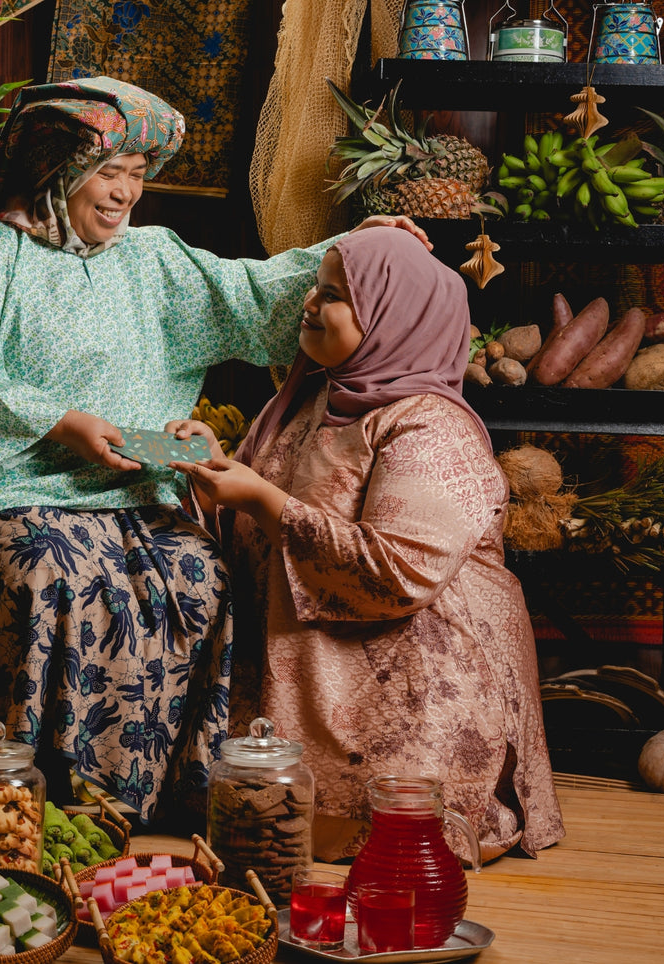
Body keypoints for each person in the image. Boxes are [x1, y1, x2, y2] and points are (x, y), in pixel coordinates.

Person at [0, 75, 427, 824]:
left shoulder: (152, 260)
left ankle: (152, 801)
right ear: (54, 172)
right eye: (107, 173)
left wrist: (360, 244)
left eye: (136, 176)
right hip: (1, 480)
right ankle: (35, 800)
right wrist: (63, 423)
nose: (124, 195)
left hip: (128, 482)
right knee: (51, 569)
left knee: (194, 571)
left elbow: (252, 294)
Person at [173, 227, 565, 862]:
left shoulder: (429, 425)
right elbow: (246, 523)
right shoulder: (305, 400)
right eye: (316, 289)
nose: (307, 305)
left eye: (331, 295)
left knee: (392, 830)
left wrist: (260, 499)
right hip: (296, 655)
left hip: (405, 661)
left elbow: (400, 571)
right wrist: (213, 476)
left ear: (392, 315)